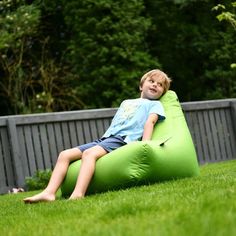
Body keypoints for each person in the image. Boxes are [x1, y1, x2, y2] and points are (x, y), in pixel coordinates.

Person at [23, 69, 171, 203]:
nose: (155, 85)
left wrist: (143, 145)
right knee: (64, 154)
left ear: (162, 92)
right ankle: (49, 193)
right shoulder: (126, 102)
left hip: (123, 140)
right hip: (106, 138)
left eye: (160, 85)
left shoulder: (155, 105)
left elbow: (149, 122)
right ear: (141, 86)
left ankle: (78, 193)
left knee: (89, 154)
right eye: (151, 81)